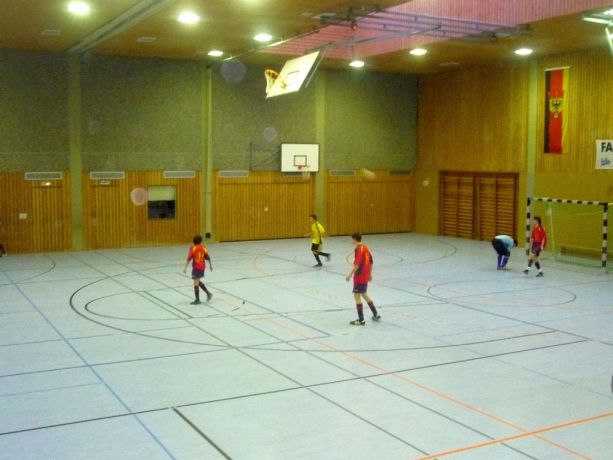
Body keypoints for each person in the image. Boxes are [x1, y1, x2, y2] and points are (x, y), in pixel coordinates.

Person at [345, 233, 380, 325]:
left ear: (354, 239)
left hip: (359, 275)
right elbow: (371, 262)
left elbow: (357, 264)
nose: (351, 241)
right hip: (365, 274)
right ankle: (375, 314)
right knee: (364, 293)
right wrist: (370, 274)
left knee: (356, 295)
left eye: (352, 239)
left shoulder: (358, 249)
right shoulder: (365, 247)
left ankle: (361, 320)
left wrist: (349, 275)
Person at [183, 235, 213, 304]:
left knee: (195, 283)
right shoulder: (203, 248)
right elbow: (207, 257)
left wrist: (185, 267)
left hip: (197, 267)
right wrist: (210, 265)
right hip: (202, 267)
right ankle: (208, 293)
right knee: (197, 281)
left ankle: (197, 300)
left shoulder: (192, 248)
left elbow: (189, 258)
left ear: (193, 241)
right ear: (200, 241)